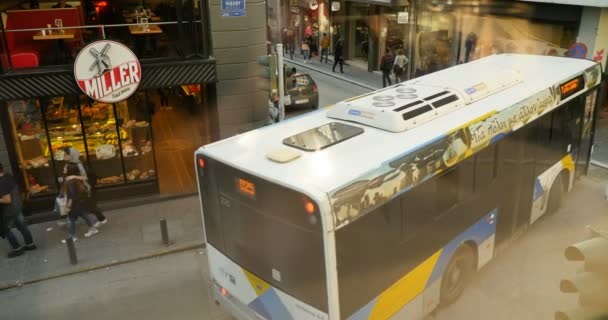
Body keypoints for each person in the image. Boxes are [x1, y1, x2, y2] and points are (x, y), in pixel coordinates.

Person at [63, 147, 107, 226]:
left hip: (83, 188)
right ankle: (73, 220)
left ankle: (100, 219)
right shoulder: (68, 163)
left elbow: (85, 177)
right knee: (82, 206)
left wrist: (73, 176)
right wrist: (65, 172)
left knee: (89, 206)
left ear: (72, 155)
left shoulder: (79, 164)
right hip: (75, 188)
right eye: (64, 154)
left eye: (66, 154)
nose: (64, 156)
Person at [0, 163, 36, 258]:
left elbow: (7, 200)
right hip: (17, 206)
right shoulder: (8, 176)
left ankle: (17, 248)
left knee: (5, 229)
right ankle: (30, 244)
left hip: (9, 210)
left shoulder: (1, 183)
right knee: (22, 226)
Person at [63, 163, 99, 242]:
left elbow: (72, 195)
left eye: (65, 168)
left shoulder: (71, 181)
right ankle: (92, 228)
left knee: (71, 219)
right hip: (79, 202)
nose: (63, 169)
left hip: (75, 203)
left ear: (69, 170)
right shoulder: (74, 179)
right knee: (84, 215)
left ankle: (71, 236)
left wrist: (68, 206)